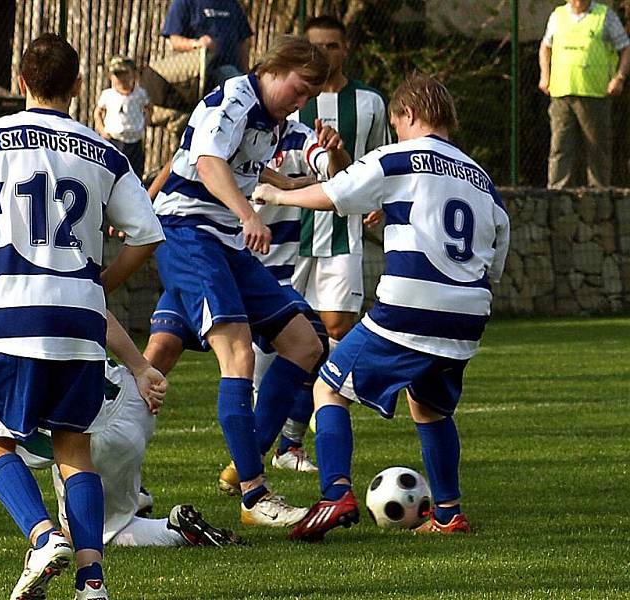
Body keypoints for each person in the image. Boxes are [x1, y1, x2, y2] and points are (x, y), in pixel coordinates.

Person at [0, 33, 164, 600]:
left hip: (14, 313)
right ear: (79, 86)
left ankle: (41, 537)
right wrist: (99, 284)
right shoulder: (103, 151)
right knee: (73, 449)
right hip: (80, 321)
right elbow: (147, 235)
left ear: (19, 82)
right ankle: (91, 581)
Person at [253, 73, 510, 541]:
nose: (395, 133)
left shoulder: (398, 157)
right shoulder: (482, 178)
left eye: (396, 124)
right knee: (430, 407)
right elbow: (496, 253)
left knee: (329, 389)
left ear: (408, 116)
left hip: (413, 302)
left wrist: (277, 194)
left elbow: (334, 193)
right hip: (469, 312)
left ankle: (334, 494)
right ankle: (448, 514)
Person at [0, 303, 241, 553]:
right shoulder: (5, 313)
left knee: (91, 537)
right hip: (134, 398)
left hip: (92, 437)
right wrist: (140, 368)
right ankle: (132, 495)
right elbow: (94, 311)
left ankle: (175, 530)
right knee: (89, 498)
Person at [151, 36, 329, 528]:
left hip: (224, 243)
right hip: (189, 234)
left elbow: (244, 168)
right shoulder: (235, 99)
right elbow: (207, 164)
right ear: (278, 68)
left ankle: (243, 465)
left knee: (304, 344)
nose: (302, 100)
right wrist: (249, 214)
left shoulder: (272, 121)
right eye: (300, 88)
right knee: (238, 355)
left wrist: (302, 185)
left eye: (310, 94)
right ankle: (255, 494)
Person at [276, 14, 391, 467]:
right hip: (290, 233)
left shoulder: (369, 102)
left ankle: (299, 437)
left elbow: (379, 159)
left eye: (333, 46)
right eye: (316, 46)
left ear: (346, 50)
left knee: (337, 331)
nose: (324, 53)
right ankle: (275, 436)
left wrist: (381, 200)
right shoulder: (290, 102)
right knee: (284, 339)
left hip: (342, 231)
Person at [538, 0, 630, 189]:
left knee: (597, 149)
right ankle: (557, 194)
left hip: (594, 94)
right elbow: (545, 47)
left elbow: (625, 48)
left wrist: (619, 78)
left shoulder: (605, 17)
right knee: (560, 147)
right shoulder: (558, 16)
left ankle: (599, 196)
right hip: (561, 93)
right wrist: (545, 75)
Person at [161, 0, 253, 87]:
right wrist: (197, 44)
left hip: (233, 72)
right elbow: (175, 40)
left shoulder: (232, 4)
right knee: (229, 75)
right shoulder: (184, 2)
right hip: (200, 76)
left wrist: (245, 72)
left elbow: (243, 41)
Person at [94, 56, 152, 179]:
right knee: (112, 173)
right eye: (117, 74)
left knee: (135, 174)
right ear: (110, 76)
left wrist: (144, 124)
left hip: (134, 142)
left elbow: (149, 108)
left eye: (125, 73)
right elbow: (98, 112)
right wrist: (102, 130)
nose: (121, 78)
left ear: (133, 74)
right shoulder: (108, 95)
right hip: (114, 140)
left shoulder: (139, 94)